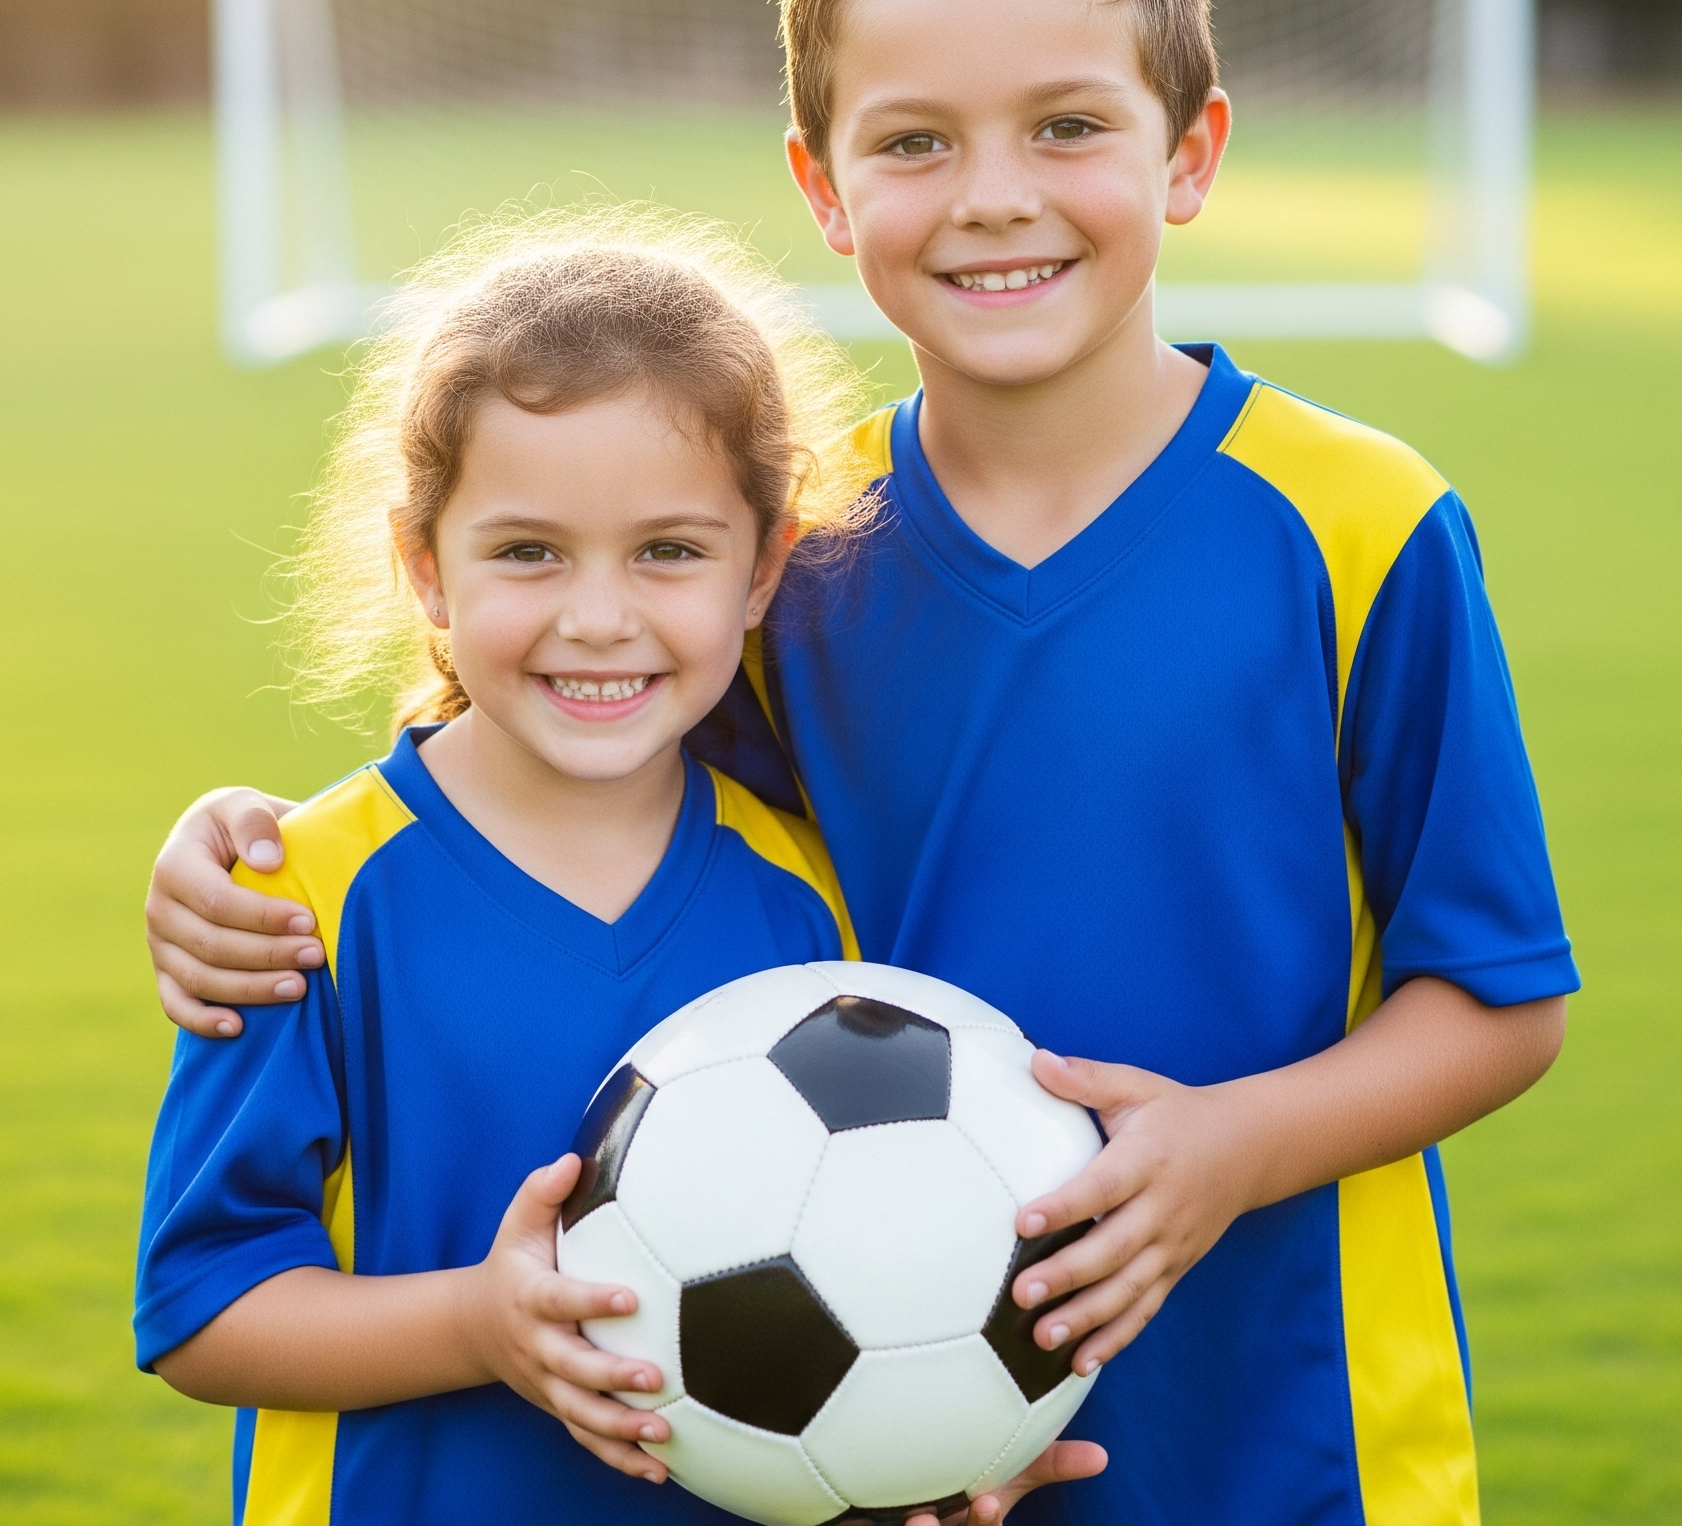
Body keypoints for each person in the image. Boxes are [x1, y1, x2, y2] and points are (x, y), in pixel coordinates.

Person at [147, 0, 1577, 1526]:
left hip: (1293, 1436)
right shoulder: (793, 556)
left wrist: (1227, 1152)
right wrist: (229, 850)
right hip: (890, 1434)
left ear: (1187, 150)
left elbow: (1499, 1001)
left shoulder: (1359, 527)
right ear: (822, 186)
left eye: (1066, 127)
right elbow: (548, 763)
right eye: (913, 141)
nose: (993, 199)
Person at [134, 215, 1099, 1526]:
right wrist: (482, 1327)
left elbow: (879, 1251)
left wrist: (918, 1451)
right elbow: (205, 1314)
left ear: (763, 568)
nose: (599, 616)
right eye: (527, 551)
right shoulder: (300, 901)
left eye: (669, 551)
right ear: (425, 569)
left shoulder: (809, 898)